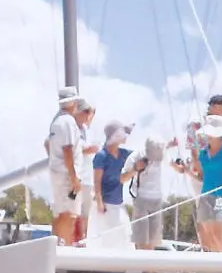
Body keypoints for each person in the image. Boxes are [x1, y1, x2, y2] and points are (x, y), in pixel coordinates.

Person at [192, 115, 222, 252]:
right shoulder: (203, 153)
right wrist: (187, 170)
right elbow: (202, 176)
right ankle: (213, 269)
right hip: (205, 196)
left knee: (220, 236)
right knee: (207, 236)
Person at [46, 87, 85, 246]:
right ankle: (64, 248)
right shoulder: (68, 122)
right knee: (69, 215)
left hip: (58, 172)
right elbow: (68, 150)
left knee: (61, 213)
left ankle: (55, 246)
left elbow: (48, 145)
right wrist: (74, 177)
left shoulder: (56, 121)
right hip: (67, 175)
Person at [88, 121, 134, 249]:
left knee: (124, 233)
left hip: (118, 203)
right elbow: (97, 182)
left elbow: (141, 155)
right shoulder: (101, 156)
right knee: (107, 237)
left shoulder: (123, 154)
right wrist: (99, 202)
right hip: (105, 203)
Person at [127, 136, 176, 250]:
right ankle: (141, 266)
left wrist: (171, 145)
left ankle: (149, 267)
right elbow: (122, 177)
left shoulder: (161, 153)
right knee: (141, 240)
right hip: (141, 199)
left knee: (153, 241)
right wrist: (135, 168)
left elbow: (165, 151)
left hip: (157, 200)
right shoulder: (136, 156)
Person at [74, 99, 99, 241]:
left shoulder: (89, 132)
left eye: (92, 113)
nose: (90, 115)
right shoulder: (73, 129)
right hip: (76, 177)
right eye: (88, 112)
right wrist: (86, 149)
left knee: (86, 213)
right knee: (74, 212)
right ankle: (74, 240)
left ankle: (83, 240)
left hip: (88, 178)